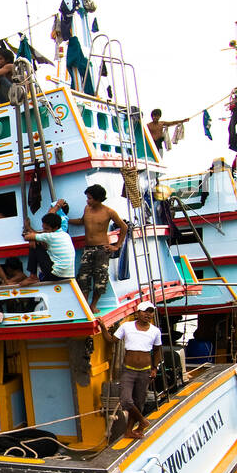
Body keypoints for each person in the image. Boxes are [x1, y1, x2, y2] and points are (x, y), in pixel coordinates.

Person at [70, 183, 129, 312]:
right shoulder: (87, 208)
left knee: (100, 278)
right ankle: (85, 305)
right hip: (88, 248)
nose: (87, 200)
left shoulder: (109, 212)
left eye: (90, 198)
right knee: (83, 277)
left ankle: (93, 305)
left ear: (98, 199)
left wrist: (117, 246)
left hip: (102, 249)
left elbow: (124, 227)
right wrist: (66, 220)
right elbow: (82, 221)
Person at [109, 301, 162, 437]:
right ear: (138, 312)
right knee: (126, 400)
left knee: (138, 402)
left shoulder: (155, 331)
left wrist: (154, 368)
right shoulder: (126, 326)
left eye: (150, 312)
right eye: (145, 311)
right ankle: (142, 421)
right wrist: (103, 328)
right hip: (128, 370)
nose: (148, 314)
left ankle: (129, 431)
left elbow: (157, 351)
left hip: (145, 371)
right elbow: (111, 340)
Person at [23, 209, 75, 282]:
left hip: (56, 275)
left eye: (46, 229)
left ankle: (33, 276)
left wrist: (28, 231)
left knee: (35, 245)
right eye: (43, 228)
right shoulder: (65, 235)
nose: (44, 230)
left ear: (55, 228)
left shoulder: (50, 236)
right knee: (38, 241)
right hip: (69, 275)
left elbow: (27, 237)